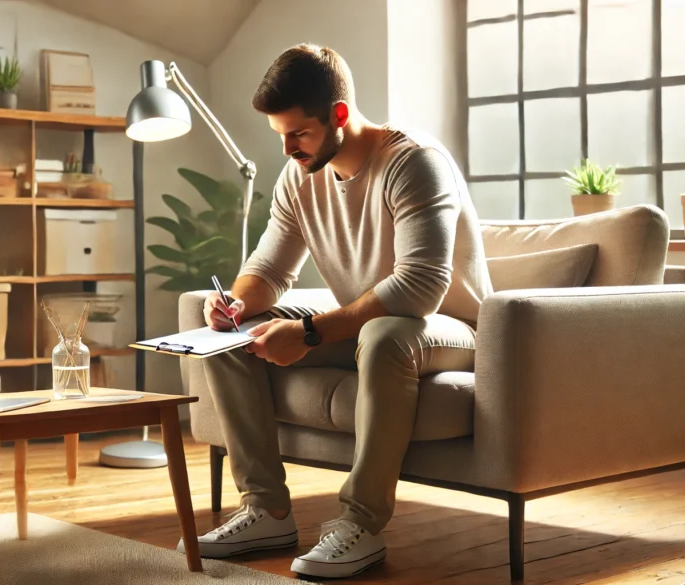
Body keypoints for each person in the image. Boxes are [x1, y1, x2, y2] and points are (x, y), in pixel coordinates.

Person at [176, 43, 493, 579]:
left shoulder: (414, 164)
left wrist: (311, 331)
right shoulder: (300, 176)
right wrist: (235, 302)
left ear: (339, 114)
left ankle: (361, 524)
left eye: (298, 133)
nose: (287, 149)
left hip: (451, 331)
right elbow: (270, 269)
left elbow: (422, 285)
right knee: (235, 336)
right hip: (368, 325)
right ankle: (266, 511)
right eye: (280, 135)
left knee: (388, 335)